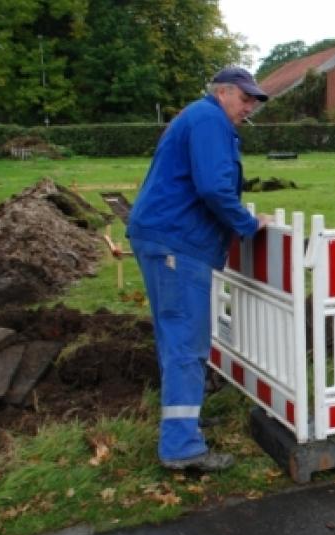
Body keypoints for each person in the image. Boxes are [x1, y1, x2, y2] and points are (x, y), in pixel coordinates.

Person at [126, 67, 272, 471]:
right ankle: (182, 448)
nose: (248, 108)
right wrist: (245, 224)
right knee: (187, 343)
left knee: (176, 337)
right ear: (222, 92)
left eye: (253, 102)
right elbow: (212, 187)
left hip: (165, 236)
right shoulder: (210, 120)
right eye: (244, 99)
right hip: (178, 242)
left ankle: (183, 422)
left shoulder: (197, 116)